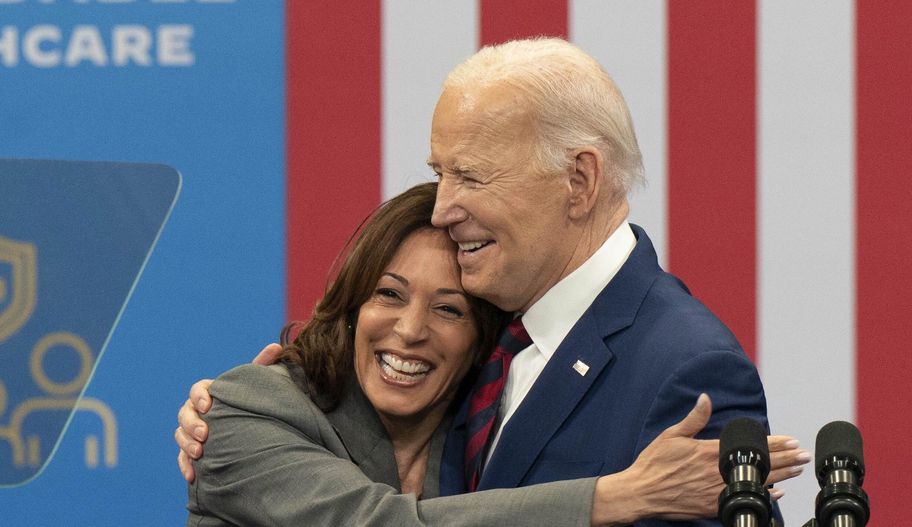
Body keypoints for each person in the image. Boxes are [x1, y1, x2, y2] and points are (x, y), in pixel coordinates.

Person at [179, 38, 810, 525]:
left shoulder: (685, 366)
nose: (442, 208)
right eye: (440, 173)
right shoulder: (494, 339)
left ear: (579, 182)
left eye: (472, 178)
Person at [185, 182, 789, 526]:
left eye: (449, 310)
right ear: (350, 304)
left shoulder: (480, 427)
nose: (411, 330)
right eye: (388, 295)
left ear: (483, 339)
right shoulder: (248, 408)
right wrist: (623, 494)